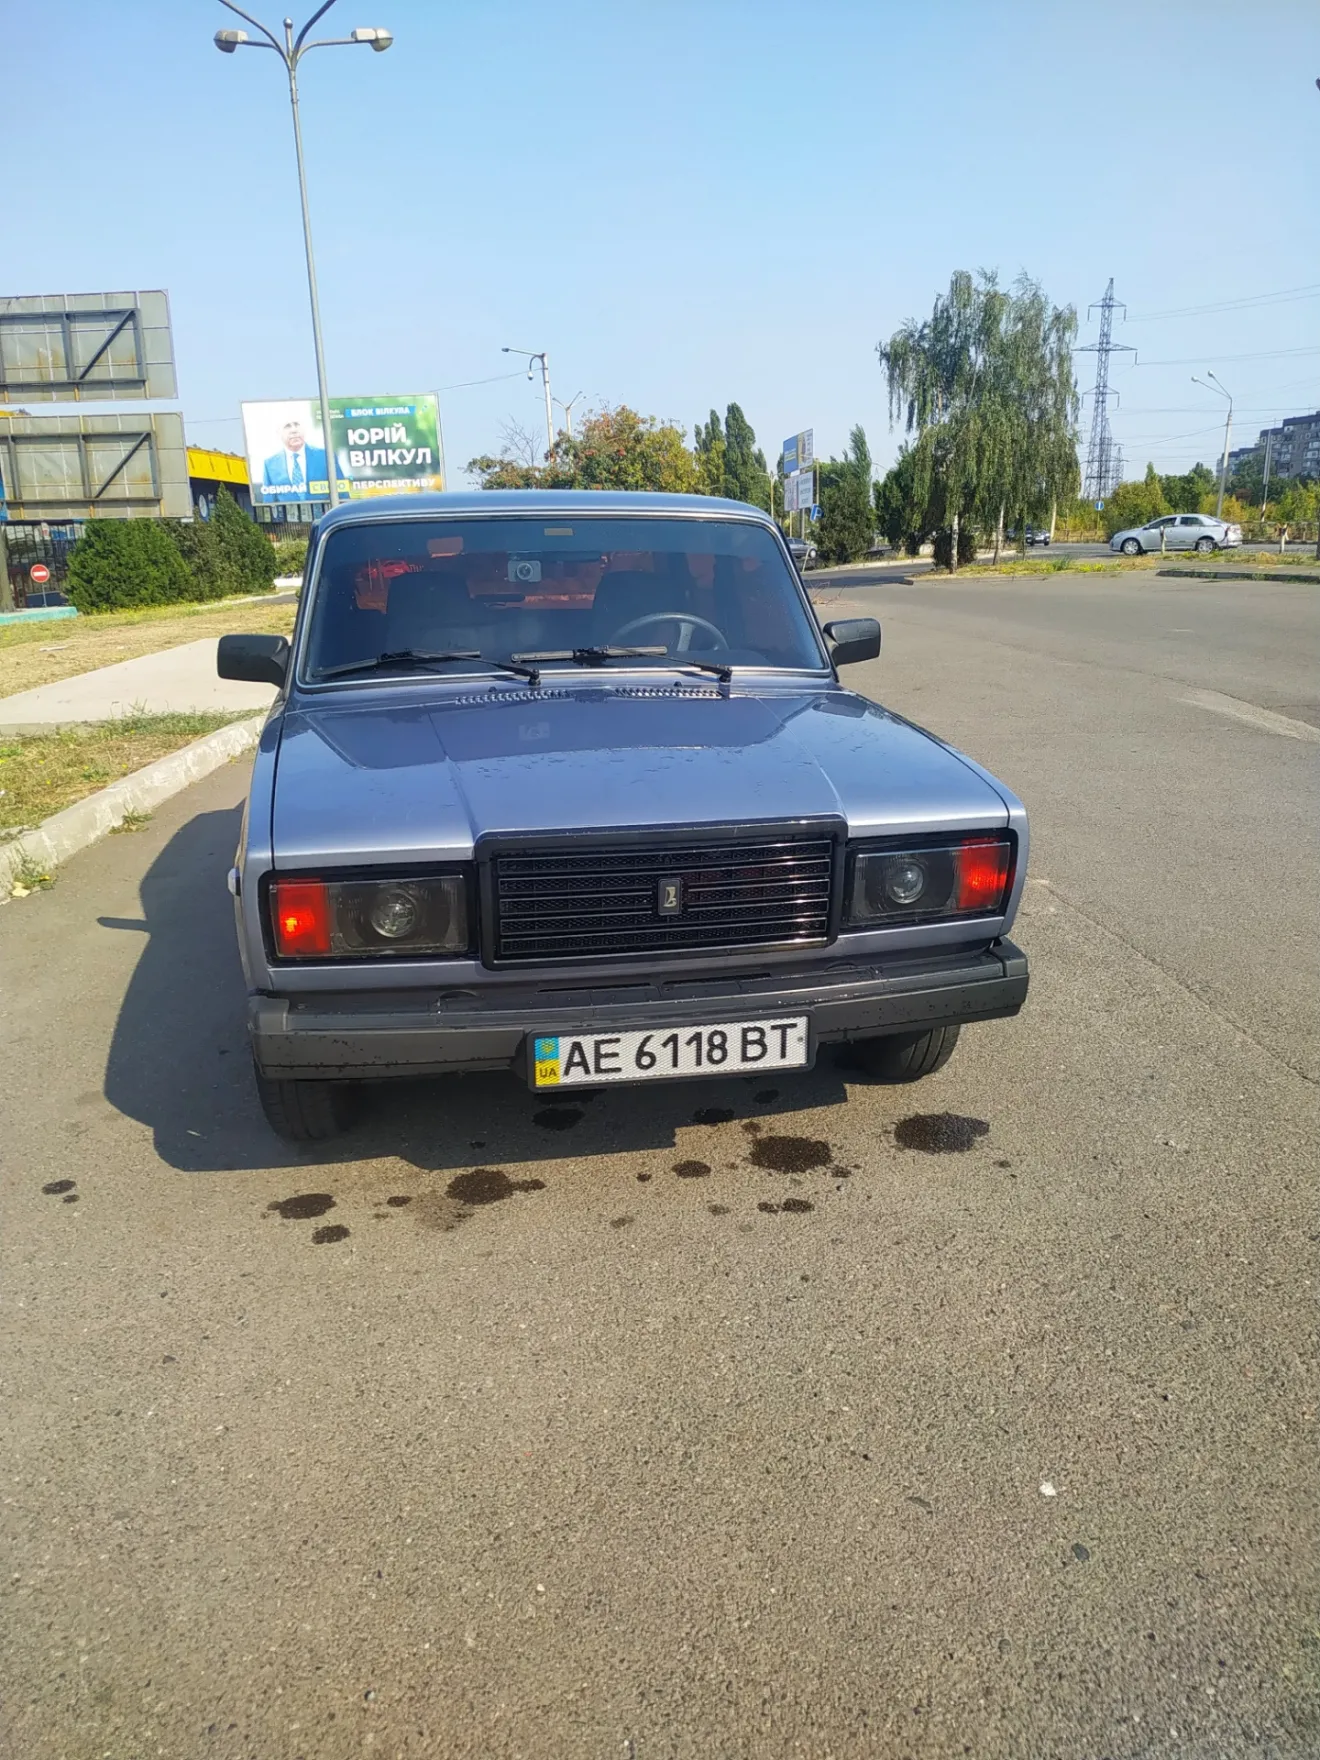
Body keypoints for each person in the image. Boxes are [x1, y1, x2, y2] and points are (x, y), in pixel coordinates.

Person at [262, 420, 327, 494]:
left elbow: (341, 490)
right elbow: (268, 500)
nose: (294, 430)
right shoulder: (270, 464)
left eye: (297, 425)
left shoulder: (325, 456)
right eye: (287, 426)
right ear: (278, 433)